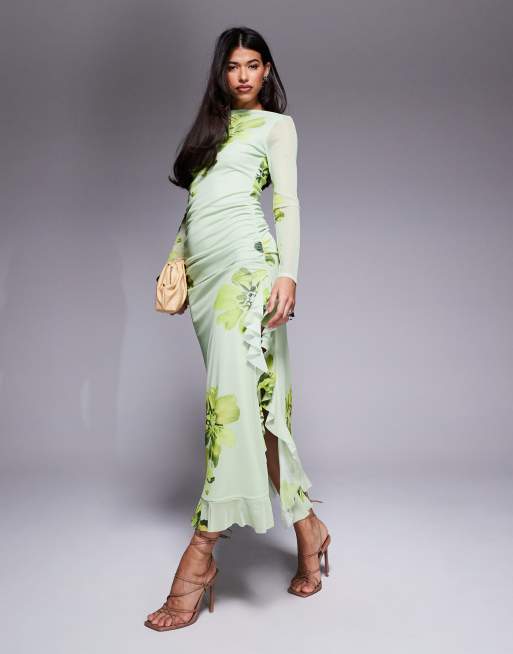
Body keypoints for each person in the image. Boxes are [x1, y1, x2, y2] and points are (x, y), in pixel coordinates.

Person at [145, 26, 331, 632]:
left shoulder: (277, 127)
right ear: (221, 74)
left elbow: (287, 204)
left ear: (267, 70)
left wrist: (289, 275)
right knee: (258, 407)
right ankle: (309, 530)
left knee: (230, 406)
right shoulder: (212, 130)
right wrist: (176, 261)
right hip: (205, 279)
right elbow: (196, 204)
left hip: (248, 273)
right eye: (233, 66)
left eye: (253, 65)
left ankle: (200, 556)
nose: (244, 75)